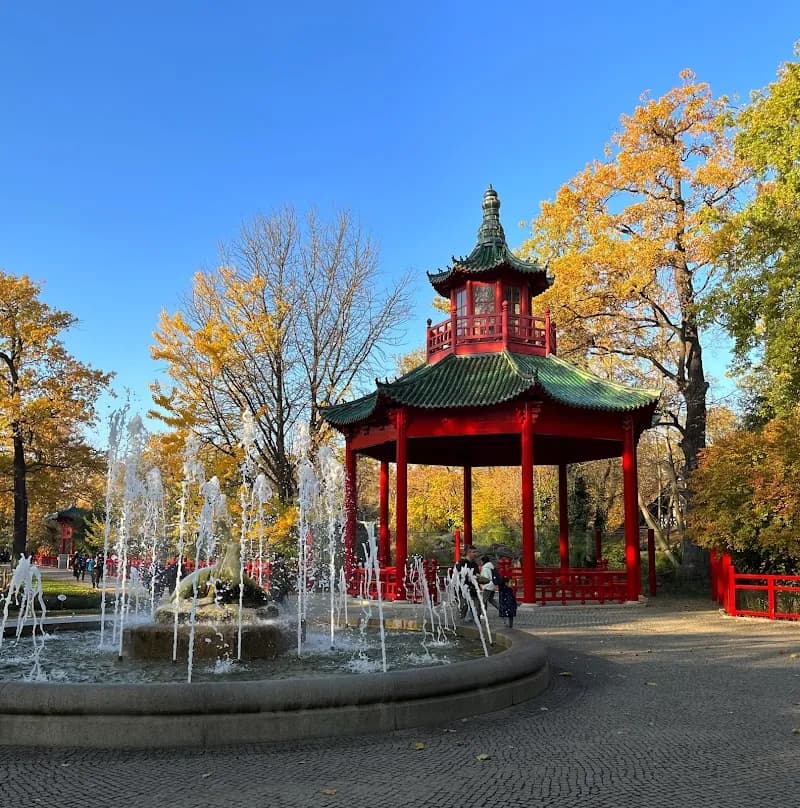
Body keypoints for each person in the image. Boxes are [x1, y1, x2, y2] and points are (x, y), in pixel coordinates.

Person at [454, 546, 488, 622]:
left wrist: (481, 579)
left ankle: (475, 623)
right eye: (473, 552)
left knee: (477, 607)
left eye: (475, 552)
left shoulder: (475, 565)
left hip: (473, 589)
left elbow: (477, 575)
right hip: (462, 589)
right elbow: (458, 575)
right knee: (463, 606)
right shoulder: (461, 563)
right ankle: (459, 623)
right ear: (468, 553)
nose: (475, 554)